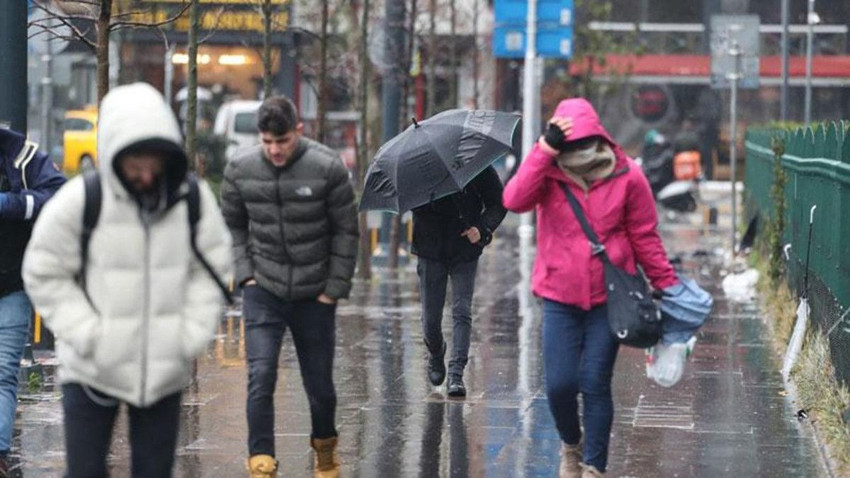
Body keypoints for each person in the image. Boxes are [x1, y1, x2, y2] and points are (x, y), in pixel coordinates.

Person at [22, 82, 232, 477]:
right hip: (90, 367)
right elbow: (42, 270)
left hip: (162, 368)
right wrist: (88, 333)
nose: (146, 175)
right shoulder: (82, 200)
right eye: (135, 165)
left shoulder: (191, 200)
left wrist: (186, 335)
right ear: (113, 156)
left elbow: (214, 270)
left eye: (154, 164)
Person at [502, 98, 680, 478]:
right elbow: (513, 199)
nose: (577, 151)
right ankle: (571, 445)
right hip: (559, 296)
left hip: (608, 298)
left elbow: (644, 236)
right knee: (560, 385)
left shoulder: (627, 175)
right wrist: (543, 149)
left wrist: (668, 286)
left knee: (595, 382)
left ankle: (594, 467)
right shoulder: (547, 172)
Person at [220, 95, 358, 478]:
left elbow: (346, 231)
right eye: (267, 142)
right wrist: (245, 274)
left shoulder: (327, 167)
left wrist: (333, 288)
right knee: (260, 375)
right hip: (263, 288)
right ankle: (260, 457)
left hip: (315, 292)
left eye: (282, 141)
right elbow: (231, 224)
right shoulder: (240, 168)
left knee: (319, 386)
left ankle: (325, 449)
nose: (275, 150)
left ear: (299, 131)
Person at [0, 128, 64, 475]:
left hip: (11, 286)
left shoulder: (19, 154)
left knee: (3, 375)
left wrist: (9, 205)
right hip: (12, 285)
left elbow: (58, 194)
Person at [412, 165, 506, 397]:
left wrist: (482, 228)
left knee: (462, 310)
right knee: (430, 319)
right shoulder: (420, 166)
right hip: (430, 248)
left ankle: (456, 373)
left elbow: (499, 203)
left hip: (465, 247)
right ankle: (436, 352)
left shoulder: (476, 162)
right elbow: (411, 204)